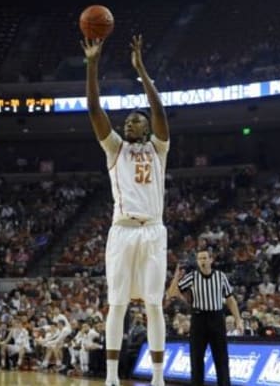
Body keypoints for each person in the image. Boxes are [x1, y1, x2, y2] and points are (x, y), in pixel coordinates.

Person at [81, 34, 169, 386]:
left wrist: (142, 71)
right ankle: (113, 376)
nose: (128, 124)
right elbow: (93, 110)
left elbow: (159, 110)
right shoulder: (115, 148)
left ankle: (159, 377)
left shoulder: (160, 148)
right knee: (117, 304)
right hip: (123, 229)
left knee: (153, 305)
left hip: (153, 229)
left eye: (135, 121)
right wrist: (92, 65)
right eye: (127, 122)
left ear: (146, 127)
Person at [167, 249, 244, 386]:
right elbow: (172, 293)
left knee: (221, 358)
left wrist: (238, 320)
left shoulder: (220, 276)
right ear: (197, 261)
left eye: (204, 258)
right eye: (199, 259)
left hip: (217, 318)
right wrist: (176, 277)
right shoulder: (192, 277)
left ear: (211, 260)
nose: (202, 261)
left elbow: (230, 300)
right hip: (199, 319)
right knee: (196, 358)